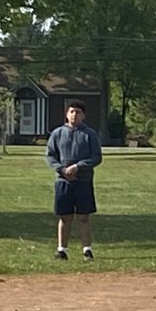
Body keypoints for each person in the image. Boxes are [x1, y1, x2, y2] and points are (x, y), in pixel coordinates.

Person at [46, 99, 102, 260]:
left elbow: (96, 157)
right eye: (72, 112)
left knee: (83, 216)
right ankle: (62, 249)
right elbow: (50, 156)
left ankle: (87, 249)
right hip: (63, 181)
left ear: (83, 115)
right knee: (65, 216)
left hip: (83, 181)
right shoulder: (57, 134)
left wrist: (79, 166)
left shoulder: (89, 134)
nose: (74, 115)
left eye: (78, 112)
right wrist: (62, 170)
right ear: (66, 114)